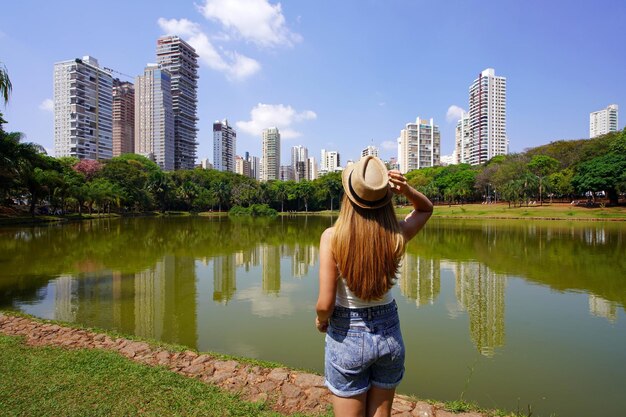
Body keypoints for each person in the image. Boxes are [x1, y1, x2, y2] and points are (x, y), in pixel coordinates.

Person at [316, 155, 433, 417]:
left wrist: (321, 320)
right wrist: (407, 189)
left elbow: (324, 304)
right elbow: (425, 209)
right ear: (386, 198)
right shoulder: (396, 235)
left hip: (347, 333)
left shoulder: (332, 238)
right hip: (389, 333)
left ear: (349, 197)